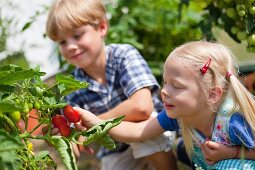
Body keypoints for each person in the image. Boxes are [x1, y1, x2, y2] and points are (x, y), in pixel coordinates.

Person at [74, 40, 255, 169]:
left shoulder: (233, 122)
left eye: (176, 86)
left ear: (212, 94)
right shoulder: (180, 116)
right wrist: (96, 123)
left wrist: (230, 153)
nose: (165, 91)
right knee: (183, 150)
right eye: (165, 82)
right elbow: (138, 132)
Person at [45, 0, 177, 169]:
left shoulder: (123, 55)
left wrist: (94, 122)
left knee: (147, 139)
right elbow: (78, 139)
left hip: (152, 128)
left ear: (101, 28)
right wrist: (62, 137)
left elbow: (141, 107)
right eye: (62, 42)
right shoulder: (72, 86)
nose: (70, 46)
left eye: (77, 36)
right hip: (115, 148)